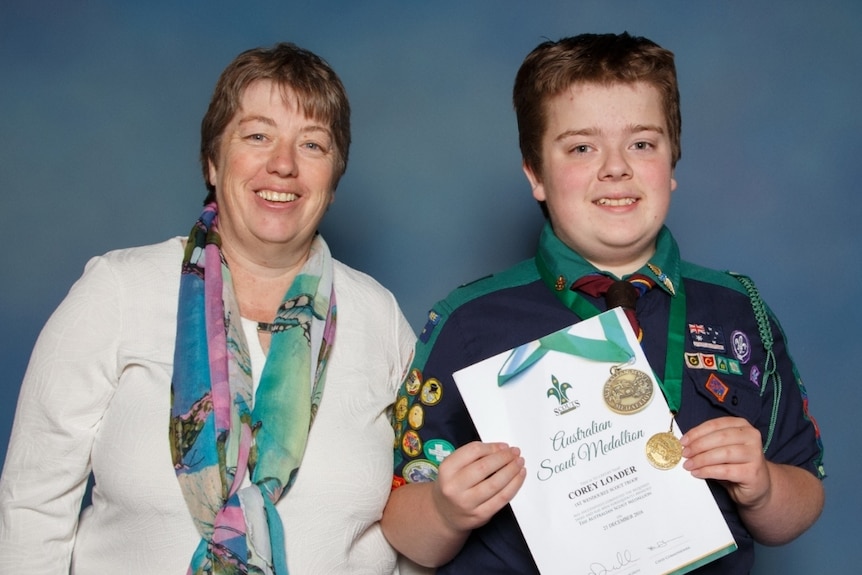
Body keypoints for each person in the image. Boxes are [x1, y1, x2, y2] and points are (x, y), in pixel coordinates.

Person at [382, 32, 825, 574]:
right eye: (581, 147)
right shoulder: (467, 322)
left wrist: (762, 486)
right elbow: (404, 530)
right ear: (535, 174)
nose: (616, 167)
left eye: (642, 143)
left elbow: (801, 501)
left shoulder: (739, 310)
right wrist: (445, 511)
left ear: (673, 160)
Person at [0, 43, 417, 574]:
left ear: (333, 182)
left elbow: (420, 512)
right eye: (258, 136)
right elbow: (31, 508)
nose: (283, 164)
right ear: (212, 161)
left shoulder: (379, 317)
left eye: (312, 145)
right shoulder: (117, 291)